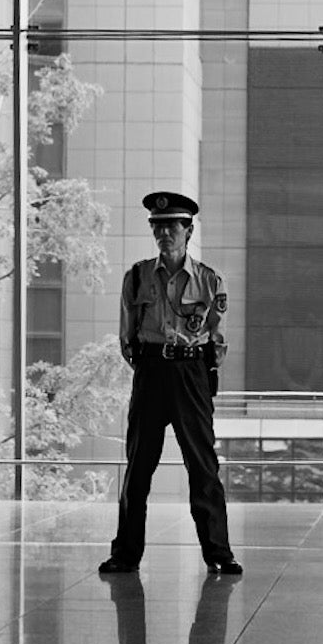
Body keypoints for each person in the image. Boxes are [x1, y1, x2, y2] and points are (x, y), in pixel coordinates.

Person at [99, 190, 242, 577]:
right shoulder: (137, 276)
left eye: (171, 226)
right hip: (150, 372)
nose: (164, 233)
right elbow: (127, 336)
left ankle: (219, 553)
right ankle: (125, 555)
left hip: (190, 373)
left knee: (203, 466)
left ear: (188, 230)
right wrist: (148, 365)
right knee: (138, 467)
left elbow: (218, 338)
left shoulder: (210, 280)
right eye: (157, 226)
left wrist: (202, 373)